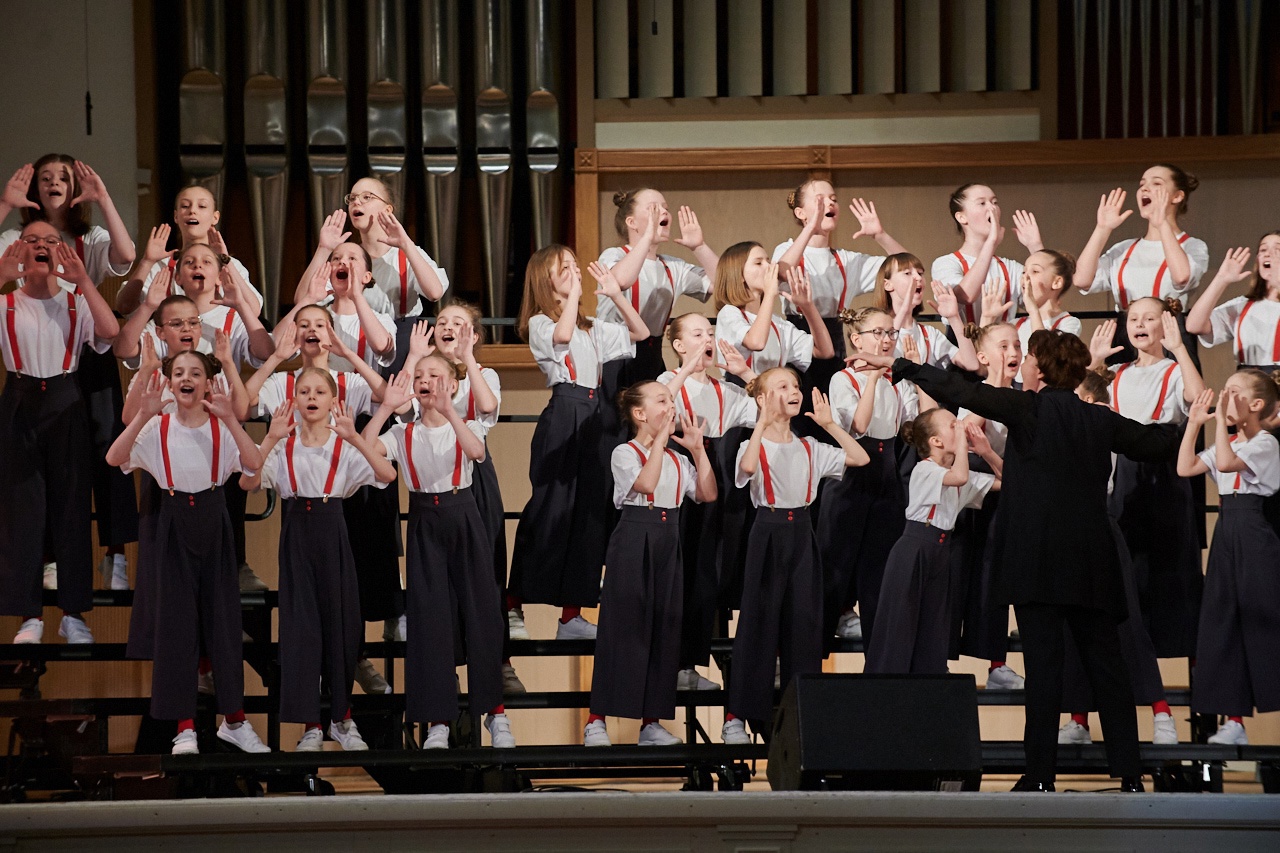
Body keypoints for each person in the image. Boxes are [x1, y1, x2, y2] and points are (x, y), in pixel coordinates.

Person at [866, 330, 1180, 792]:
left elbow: (963, 391)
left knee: (1044, 671)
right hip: (1093, 565)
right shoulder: (1099, 419)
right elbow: (1157, 442)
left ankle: (1040, 777)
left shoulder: (1029, 410)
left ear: (1042, 369)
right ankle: (1130, 775)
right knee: (1108, 669)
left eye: (1030, 357)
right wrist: (1196, 421)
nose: (1025, 363)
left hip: (1039, 566)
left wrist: (901, 366)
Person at [105, 352, 269, 756]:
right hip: (173, 522)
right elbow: (114, 458)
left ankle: (235, 721)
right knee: (176, 627)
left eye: (195, 372)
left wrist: (232, 419)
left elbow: (253, 464)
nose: (186, 378)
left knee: (223, 624)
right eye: (178, 372)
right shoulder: (157, 426)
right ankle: (184, 728)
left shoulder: (221, 427)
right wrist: (143, 414)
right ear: (169, 382)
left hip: (214, 521)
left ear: (207, 383)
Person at [361, 359, 515, 750]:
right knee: (429, 618)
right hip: (424, 520)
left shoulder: (468, 424)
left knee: (481, 613)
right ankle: (438, 721)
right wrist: (385, 406)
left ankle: (495, 712)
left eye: (436, 376)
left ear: (453, 384)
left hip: (463, 513)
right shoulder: (402, 432)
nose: (426, 381)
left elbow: (477, 452)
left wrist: (449, 411)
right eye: (420, 377)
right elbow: (365, 446)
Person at [1, 157, 137, 591]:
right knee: (44, 461)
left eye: (63, 177)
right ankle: (50, 559)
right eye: (45, 178)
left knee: (107, 444)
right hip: (39, 352)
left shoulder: (89, 237)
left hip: (88, 342)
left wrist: (104, 196)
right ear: (34, 190)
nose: (54, 183)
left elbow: (126, 255)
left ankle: (115, 553)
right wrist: (5, 204)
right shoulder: (17, 239)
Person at [243, 375, 395, 752]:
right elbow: (248, 482)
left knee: (341, 625)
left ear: (333, 400)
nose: (311, 397)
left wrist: (356, 437)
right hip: (296, 531)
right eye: (304, 391)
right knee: (301, 629)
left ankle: (342, 718)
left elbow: (387, 474)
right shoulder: (284, 444)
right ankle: (311, 724)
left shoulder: (344, 444)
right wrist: (270, 437)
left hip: (333, 529)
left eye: (320, 392)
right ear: (294, 400)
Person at [722, 369, 869, 744]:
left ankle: (800, 720)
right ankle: (737, 716)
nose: (794, 391)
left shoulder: (810, 446)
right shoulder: (752, 444)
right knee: (758, 623)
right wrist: (762, 422)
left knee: (803, 627)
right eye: (782, 387)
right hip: (768, 532)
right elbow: (747, 468)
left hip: (802, 533)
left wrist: (830, 425)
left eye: (796, 386)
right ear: (762, 398)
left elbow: (860, 457)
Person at [506, 246, 647, 639]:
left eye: (574, 265)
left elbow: (640, 333)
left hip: (596, 414)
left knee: (590, 514)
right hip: (565, 411)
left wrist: (616, 295)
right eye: (563, 267)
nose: (574, 271)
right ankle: (513, 605)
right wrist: (572, 298)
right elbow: (562, 336)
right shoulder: (539, 322)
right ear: (544, 279)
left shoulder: (592, 326)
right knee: (549, 508)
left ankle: (571, 616)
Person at [1, 226, 118, 644]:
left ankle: (73, 614)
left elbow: (110, 333)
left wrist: (83, 280)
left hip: (66, 399)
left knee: (71, 508)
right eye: (32, 240)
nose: (41, 246)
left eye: (51, 241)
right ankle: (29, 616)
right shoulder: (7, 302)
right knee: (22, 510)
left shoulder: (75, 302)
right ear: (20, 251)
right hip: (19, 399)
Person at [584, 381, 717, 747]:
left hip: (668, 539)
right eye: (662, 400)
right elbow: (645, 483)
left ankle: (651, 723)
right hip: (634, 536)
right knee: (622, 628)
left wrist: (697, 450)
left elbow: (707, 493)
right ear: (640, 414)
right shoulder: (624, 453)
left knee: (665, 629)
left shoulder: (678, 459)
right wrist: (659, 441)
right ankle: (597, 720)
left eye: (671, 399)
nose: (670, 406)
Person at [1060, 369, 1178, 747]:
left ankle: (1162, 712)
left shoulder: (1102, 428)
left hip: (1102, 527)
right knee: (1073, 626)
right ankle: (1078, 720)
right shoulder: (1068, 428)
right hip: (1070, 534)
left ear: (1090, 403)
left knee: (1127, 622)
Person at [1089, 300, 1205, 660]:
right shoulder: (1117, 372)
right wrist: (1094, 360)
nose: (1139, 324)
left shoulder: (1173, 369)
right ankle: (1130, 648)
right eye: (1133, 319)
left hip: (1163, 468)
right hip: (1124, 470)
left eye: (1149, 318)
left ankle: (1171, 645)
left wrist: (1180, 348)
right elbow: (1079, 397)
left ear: (1165, 325)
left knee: (1168, 560)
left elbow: (1196, 396)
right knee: (1127, 561)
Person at [1177, 372, 1280, 746]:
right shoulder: (1231, 441)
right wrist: (1194, 423)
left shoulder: (1265, 443)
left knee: (1263, 617)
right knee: (1224, 619)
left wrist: (1220, 420)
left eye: (1234, 392)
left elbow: (1225, 463)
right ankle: (1233, 721)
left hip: (1253, 529)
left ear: (1256, 405)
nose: (1224, 396)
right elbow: (1185, 468)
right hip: (1227, 530)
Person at [659, 314, 759, 691]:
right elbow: (659, 407)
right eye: (698, 333)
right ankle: (673, 662)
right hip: (680, 480)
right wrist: (686, 368)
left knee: (708, 572)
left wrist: (745, 372)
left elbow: (774, 409)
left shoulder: (726, 391)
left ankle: (689, 665)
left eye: (711, 333)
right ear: (678, 345)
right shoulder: (667, 381)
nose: (708, 340)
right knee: (680, 570)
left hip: (720, 479)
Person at [820, 307, 924, 648]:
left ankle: (880, 650)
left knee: (880, 563)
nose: (886, 340)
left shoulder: (897, 381)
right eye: (878, 333)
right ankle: (818, 645)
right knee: (837, 559)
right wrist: (875, 379)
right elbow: (859, 425)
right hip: (851, 475)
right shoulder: (843, 379)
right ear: (857, 339)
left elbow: (917, 425)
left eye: (891, 333)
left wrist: (917, 375)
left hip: (886, 472)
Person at [865, 409, 997, 674]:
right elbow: (959, 477)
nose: (960, 427)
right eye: (953, 425)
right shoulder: (925, 469)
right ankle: (883, 690)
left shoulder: (959, 473)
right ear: (936, 441)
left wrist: (987, 453)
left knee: (934, 630)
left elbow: (1011, 482)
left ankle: (926, 688)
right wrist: (963, 444)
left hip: (941, 551)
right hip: (915, 548)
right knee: (899, 626)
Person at [773, 181, 904, 399]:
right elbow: (781, 272)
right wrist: (809, 228)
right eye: (820, 199)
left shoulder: (846, 260)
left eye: (833, 199)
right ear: (800, 212)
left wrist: (880, 235)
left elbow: (906, 269)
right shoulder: (787, 249)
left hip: (835, 341)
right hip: (798, 341)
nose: (830, 203)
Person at [951, 322, 1026, 690]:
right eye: (1003, 346)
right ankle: (939, 660)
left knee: (996, 577)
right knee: (956, 574)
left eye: (1016, 345)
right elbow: (964, 434)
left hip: (1007, 494)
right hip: (970, 495)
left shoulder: (1027, 396)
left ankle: (997, 664)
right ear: (982, 356)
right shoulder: (973, 394)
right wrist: (994, 385)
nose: (1012, 353)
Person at [1073, 166, 1209, 362]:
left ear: (1177, 196)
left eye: (1156, 183)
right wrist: (1102, 228)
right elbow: (1082, 280)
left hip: (1169, 336)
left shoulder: (1192, 246)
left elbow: (1181, 277)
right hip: (1126, 336)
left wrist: (1162, 223)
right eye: (1142, 184)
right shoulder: (1125, 249)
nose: (1145, 188)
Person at [598, 189, 717, 384]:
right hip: (615, 356)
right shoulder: (614, 255)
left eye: (665, 208)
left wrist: (699, 247)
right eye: (653, 208)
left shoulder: (672, 266)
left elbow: (723, 284)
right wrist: (646, 238)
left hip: (651, 356)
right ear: (632, 222)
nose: (663, 212)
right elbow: (620, 281)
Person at [116, 186, 265, 317]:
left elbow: (254, 310)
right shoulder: (162, 266)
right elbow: (124, 307)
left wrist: (225, 261)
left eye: (202, 206)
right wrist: (147, 262)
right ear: (176, 216)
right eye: (185, 206)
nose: (192, 211)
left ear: (215, 217)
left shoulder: (231, 265)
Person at [714, 242, 830, 380]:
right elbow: (756, 342)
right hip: (741, 392)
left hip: (772, 392)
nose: (770, 267)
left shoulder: (776, 323)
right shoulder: (729, 313)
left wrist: (808, 307)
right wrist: (769, 293)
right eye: (759, 263)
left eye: (768, 261)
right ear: (739, 275)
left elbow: (824, 351)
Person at [931, 184, 1042, 327]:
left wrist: (1035, 247)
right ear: (961, 217)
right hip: (962, 341)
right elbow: (966, 296)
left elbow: (1044, 299)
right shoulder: (946, 263)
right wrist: (991, 242)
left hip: (1005, 340)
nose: (992, 208)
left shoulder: (1010, 267)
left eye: (994, 202)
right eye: (982, 203)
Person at [1016, 250, 1081, 384]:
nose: (1026, 277)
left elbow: (1047, 360)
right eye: (1024, 272)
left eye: (1035, 271)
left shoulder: (1068, 323)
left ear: (1056, 282)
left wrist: (1033, 311)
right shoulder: (1016, 324)